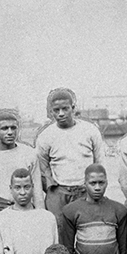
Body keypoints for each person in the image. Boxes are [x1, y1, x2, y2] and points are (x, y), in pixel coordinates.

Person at [35, 88, 105, 222]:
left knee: (87, 229)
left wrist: (93, 189)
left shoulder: (89, 131)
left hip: (85, 191)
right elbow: (42, 167)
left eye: (65, 109)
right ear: (51, 111)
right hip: (59, 193)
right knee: (60, 232)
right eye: (56, 110)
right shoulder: (45, 136)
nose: (61, 114)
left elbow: (99, 162)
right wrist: (52, 189)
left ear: (73, 108)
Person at [60, 164, 127, 254]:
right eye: (92, 183)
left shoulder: (118, 210)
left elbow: (123, 250)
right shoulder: (71, 210)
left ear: (107, 183)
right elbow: (67, 249)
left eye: (101, 183)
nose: (97, 187)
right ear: (84, 183)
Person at [0, 110, 45, 214]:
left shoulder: (29, 153)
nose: (10, 132)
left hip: (25, 210)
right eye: (4, 128)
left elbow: (37, 192)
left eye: (13, 128)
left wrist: (40, 215)